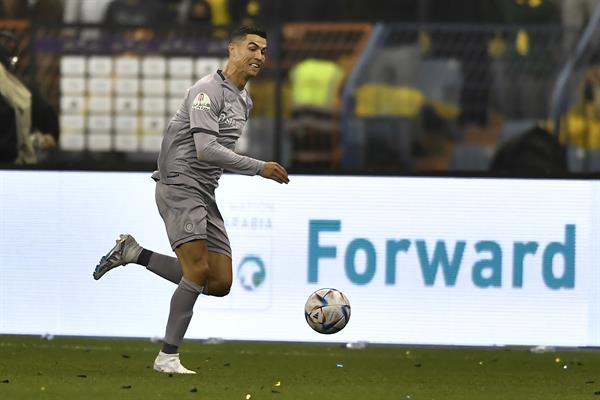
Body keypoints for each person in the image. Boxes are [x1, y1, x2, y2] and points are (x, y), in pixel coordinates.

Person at [92, 26, 289, 374]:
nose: (259, 56)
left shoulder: (245, 101)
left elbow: (218, 153)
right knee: (197, 270)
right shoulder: (205, 91)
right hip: (179, 182)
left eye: (264, 51)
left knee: (220, 282)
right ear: (232, 50)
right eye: (252, 48)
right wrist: (259, 168)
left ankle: (133, 253)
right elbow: (206, 149)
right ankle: (167, 356)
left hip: (204, 191)